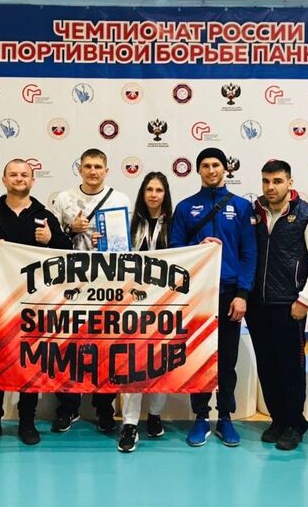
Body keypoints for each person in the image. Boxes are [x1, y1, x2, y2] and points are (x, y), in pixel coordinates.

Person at [0, 159, 72, 447]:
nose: (19, 178)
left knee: (30, 358)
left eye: (24, 175)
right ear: (5, 180)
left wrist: (51, 240)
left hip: (33, 305)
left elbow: (68, 254)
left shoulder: (44, 216)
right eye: (13, 174)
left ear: (32, 181)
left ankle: (27, 421)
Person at [169, 147, 256, 447]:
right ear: (198, 170)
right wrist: (199, 248)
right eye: (205, 165)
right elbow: (175, 249)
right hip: (198, 295)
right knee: (199, 358)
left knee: (227, 359)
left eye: (216, 164)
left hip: (229, 292)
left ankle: (226, 417)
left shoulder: (242, 207)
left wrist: (242, 294)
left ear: (225, 168)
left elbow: (249, 253)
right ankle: (201, 417)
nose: (211, 170)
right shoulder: (185, 207)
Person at [246, 160, 308, 451]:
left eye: (277, 181)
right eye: (266, 181)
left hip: (290, 304)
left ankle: (295, 423)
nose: (271, 187)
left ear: (290, 183)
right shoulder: (254, 212)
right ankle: (278, 419)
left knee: (290, 366)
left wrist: (305, 299)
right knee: (267, 364)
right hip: (257, 304)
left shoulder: (307, 215)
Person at [50, 148, 131, 435]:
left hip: (107, 284)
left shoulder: (120, 199)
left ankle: (104, 408)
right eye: (88, 166)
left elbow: (126, 247)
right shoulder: (64, 199)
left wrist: (108, 244)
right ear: (79, 169)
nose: (93, 171)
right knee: (67, 346)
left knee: (106, 347)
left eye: (98, 166)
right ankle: (68, 407)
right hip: (70, 283)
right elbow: (50, 242)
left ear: (106, 170)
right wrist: (70, 229)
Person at [117, 172, 172, 453]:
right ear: (142, 193)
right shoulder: (128, 223)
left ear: (165, 194)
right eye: (149, 189)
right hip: (132, 304)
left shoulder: (174, 224)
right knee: (133, 363)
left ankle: (155, 414)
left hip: (166, 304)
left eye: (159, 190)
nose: (153, 194)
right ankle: (129, 423)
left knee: (162, 362)